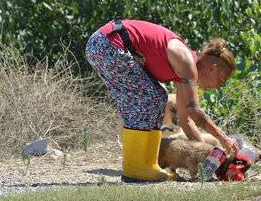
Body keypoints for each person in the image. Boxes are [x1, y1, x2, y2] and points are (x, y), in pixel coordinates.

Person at [85, 19, 239, 182]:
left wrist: (207, 157)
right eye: (221, 81)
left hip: (105, 46)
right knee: (151, 97)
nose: (217, 87)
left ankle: (147, 165)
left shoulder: (183, 74)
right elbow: (195, 112)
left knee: (157, 97)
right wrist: (224, 138)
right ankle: (135, 168)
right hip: (107, 44)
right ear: (212, 68)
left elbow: (186, 121)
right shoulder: (187, 63)